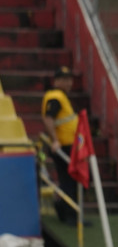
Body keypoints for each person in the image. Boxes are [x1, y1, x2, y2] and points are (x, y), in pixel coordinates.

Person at [41, 67, 79, 226]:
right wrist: (55, 140)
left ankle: (66, 210)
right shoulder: (55, 96)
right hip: (63, 147)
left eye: (69, 79)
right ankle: (69, 215)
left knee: (70, 180)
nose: (68, 82)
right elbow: (49, 118)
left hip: (69, 146)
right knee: (69, 181)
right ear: (56, 81)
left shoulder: (61, 96)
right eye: (64, 79)